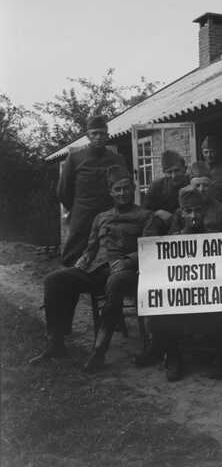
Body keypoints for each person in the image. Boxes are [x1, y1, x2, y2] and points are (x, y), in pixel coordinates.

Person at [29, 166, 152, 372]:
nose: (122, 193)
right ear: (110, 192)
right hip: (96, 272)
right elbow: (92, 247)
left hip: (129, 274)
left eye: (126, 189)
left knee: (115, 281)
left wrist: (130, 260)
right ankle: (55, 343)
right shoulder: (101, 217)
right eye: (117, 190)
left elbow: (150, 248)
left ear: (133, 189)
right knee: (55, 280)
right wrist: (85, 258)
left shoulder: (145, 216)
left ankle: (99, 351)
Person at [136, 186, 222, 381]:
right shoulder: (172, 240)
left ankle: (220, 359)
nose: (193, 216)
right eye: (188, 211)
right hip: (183, 298)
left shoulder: (217, 239)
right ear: (181, 213)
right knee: (161, 310)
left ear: (204, 211)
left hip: (208, 297)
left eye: (198, 210)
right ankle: (174, 358)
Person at [58, 115, 126, 266]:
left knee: (110, 251)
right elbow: (63, 191)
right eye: (94, 133)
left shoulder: (117, 159)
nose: (98, 137)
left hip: (109, 214)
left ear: (107, 136)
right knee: (73, 255)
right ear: (87, 136)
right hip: (82, 216)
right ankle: (71, 285)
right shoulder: (75, 158)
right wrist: (77, 209)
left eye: (102, 133)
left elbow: (124, 186)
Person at [142, 149, 189, 225]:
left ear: (185, 169)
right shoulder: (156, 187)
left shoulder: (192, 183)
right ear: (164, 172)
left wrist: (174, 218)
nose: (173, 176)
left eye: (177, 170)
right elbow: (144, 212)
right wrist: (157, 213)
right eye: (169, 172)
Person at [200, 134, 222, 203]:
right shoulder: (196, 167)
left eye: (212, 151)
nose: (209, 155)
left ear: (217, 151)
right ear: (202, 153)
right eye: (206, 152)